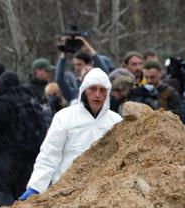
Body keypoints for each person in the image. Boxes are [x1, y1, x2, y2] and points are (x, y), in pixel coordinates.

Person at [20, 68, 122, 200]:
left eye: (102, 90)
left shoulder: (116, 121)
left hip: (103, 195)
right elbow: (49, 154)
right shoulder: (65, 117)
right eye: (93, 89)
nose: (97, 94)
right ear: (84, 90)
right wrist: (36, 187)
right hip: (65, 194)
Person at [0, 72, 44, 206]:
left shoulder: (0, 104)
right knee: (24, 198)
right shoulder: (31, 101)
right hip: (29, 159)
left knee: (4, 197)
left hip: (5, 158)